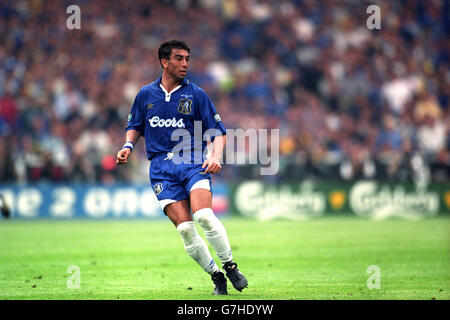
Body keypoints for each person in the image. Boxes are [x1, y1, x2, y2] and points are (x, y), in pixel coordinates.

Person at [116, 40, 248, 295]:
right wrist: (128, 146)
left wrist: (215, 156)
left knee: (204, 216)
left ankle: (230, 265)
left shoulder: (196, 94)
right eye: (179, 58)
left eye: (187, 58)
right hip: (160, 169)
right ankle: (216, 275)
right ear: (165, 62)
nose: (185, 63)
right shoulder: (145, 94)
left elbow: (218, 132)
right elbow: (135, 126)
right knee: (186, 230)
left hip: (191, 161)